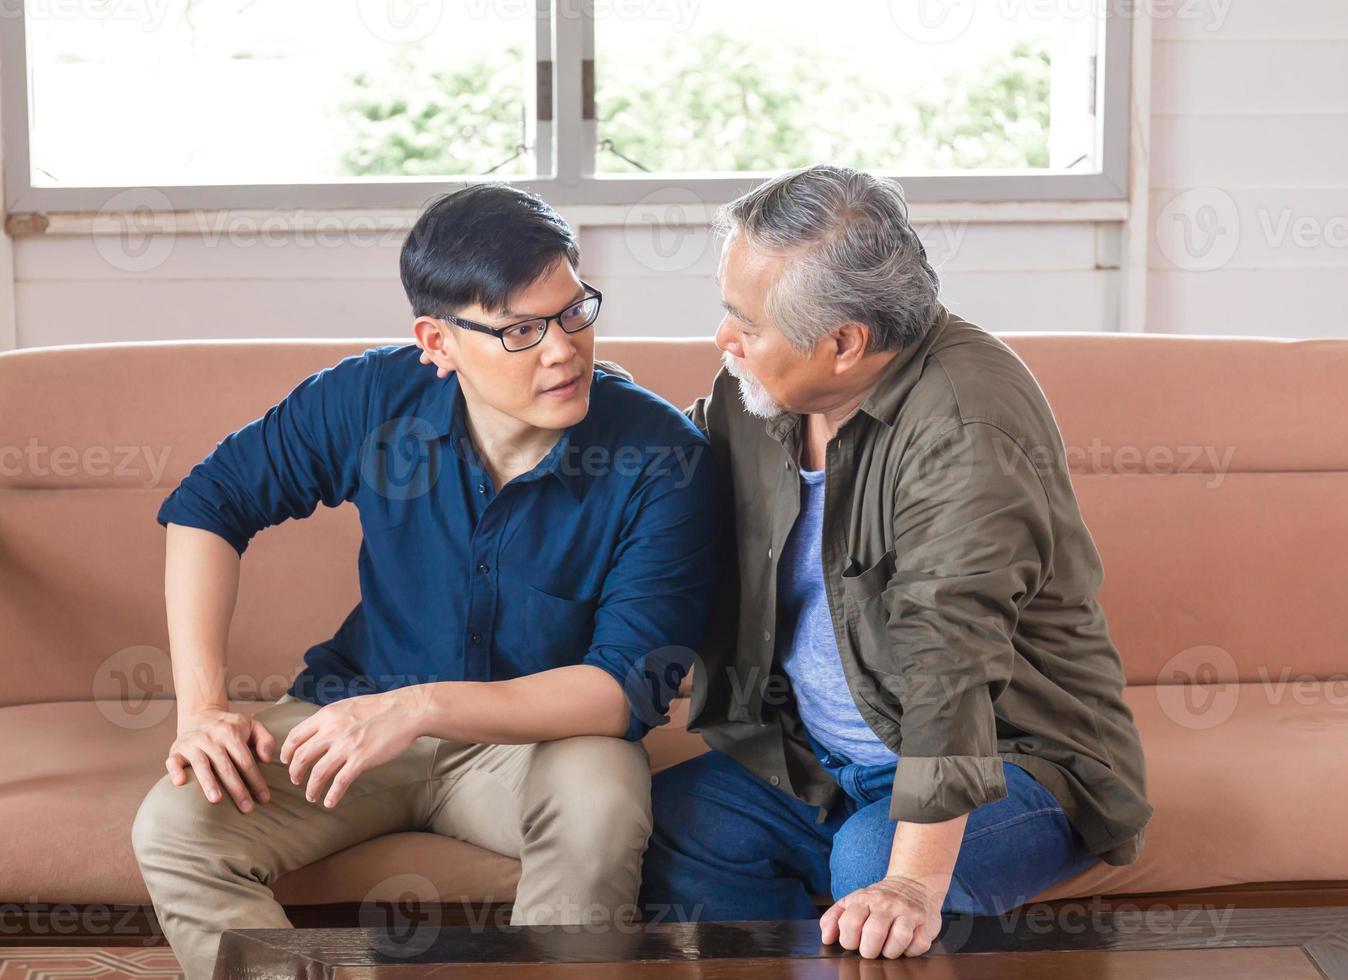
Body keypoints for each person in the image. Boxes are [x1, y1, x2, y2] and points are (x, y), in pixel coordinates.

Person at [131, 183, 718, 980]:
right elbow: (208, 505)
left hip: (540, 743)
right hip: (352, 721)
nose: (562, 350)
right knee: (176, 825)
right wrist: (200, 709)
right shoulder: (373, 397)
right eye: (520, 331)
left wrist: (419, 708)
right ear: (437, 343)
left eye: (575, 311)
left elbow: (624, 690)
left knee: (602, 800)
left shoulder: (662, 457)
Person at [641, 164, 1153, 960]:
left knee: (876, 867)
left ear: (845, 343)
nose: (724, 339)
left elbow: (951, 663)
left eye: (744, 321)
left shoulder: (964, 430)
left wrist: (912, 884)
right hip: (820, 757)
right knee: (667, 823)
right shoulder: (764, 389)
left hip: (1012, 762)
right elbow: (657, 471)